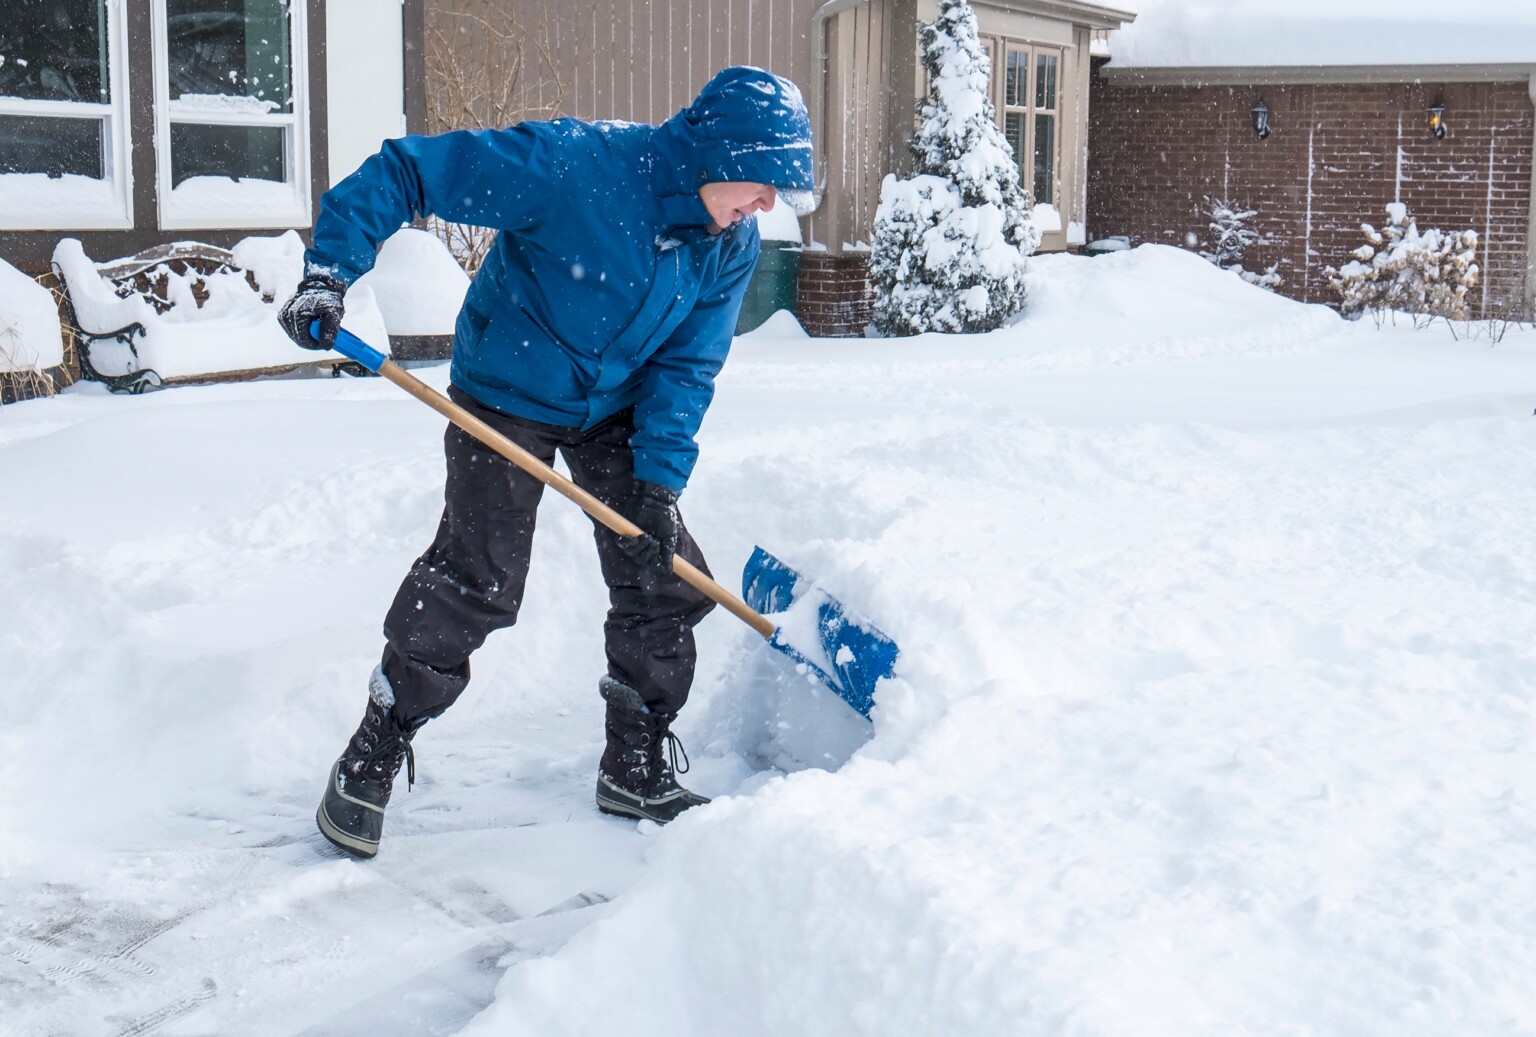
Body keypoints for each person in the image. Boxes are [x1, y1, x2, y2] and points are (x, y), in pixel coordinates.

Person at [278, 66, 815, 858]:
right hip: (510, 386)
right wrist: (329, 273)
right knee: (478, 575)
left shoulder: (727, 244)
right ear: (719, 154)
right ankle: (374, 747)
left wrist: (659, 488)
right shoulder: (574, 166)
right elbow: (408, 169)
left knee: (662, 572)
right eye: (765, 182)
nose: (769, 206)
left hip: (616, 402)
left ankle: (633, 764)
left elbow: (687, 368)